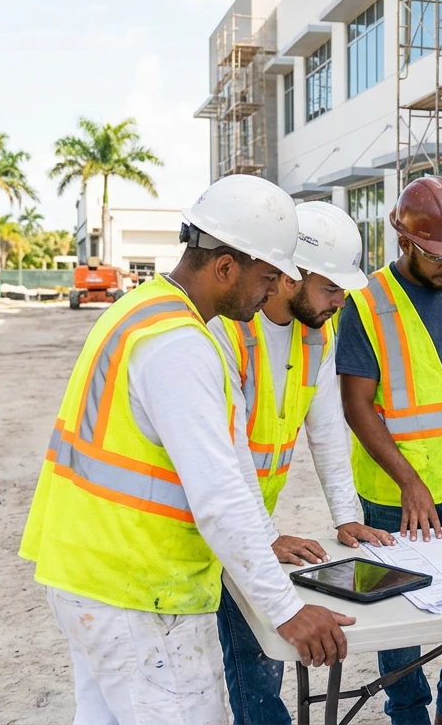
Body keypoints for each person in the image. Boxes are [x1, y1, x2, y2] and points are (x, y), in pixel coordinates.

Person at [19, 175, 355, 724]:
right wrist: (286, 610)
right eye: (268, 275)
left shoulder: (143, 311)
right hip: (141, 591)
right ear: (225, 267)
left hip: (90, 575)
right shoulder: (180, 345)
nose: (274, 291)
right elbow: (219, 495)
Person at [208, 201, 397, 725]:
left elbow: (327, 426)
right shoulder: (229, 331)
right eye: (331, 288)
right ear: (292, 277)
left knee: (258, 645)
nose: (341, 301)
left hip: (248, 516)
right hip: (218, 512)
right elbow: (230, 451)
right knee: (249, 650)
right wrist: (264, 536)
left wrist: (346, 515)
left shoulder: (319, 332)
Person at [338, 176, 442, 725]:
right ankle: (407, 714)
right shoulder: (366, 305)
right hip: (394, 497)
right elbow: (358, 406)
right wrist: (410, 481)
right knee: (403, 618)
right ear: (405, 240)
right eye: (437, 255)